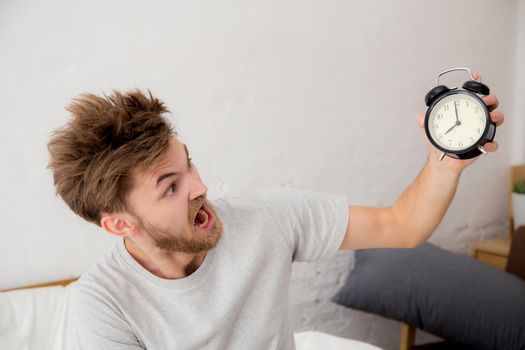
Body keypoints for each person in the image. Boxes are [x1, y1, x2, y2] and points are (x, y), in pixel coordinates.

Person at [47, 79, 503, 349]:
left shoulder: (264, 217)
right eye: (171, 187)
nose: (201, 188)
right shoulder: (101, 302)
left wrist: (447, 160)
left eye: (189, 165)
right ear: (120, 224)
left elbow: (401, 226)